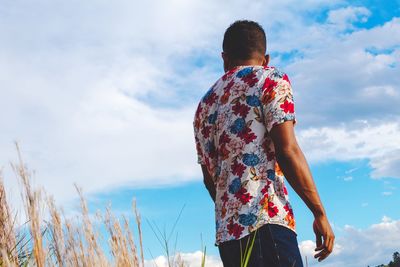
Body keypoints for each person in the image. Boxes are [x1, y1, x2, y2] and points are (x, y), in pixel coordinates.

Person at [193, 20, 334, 267]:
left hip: (228, 236)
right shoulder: (271, 80)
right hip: (268, 221)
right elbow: (287, 149)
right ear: (265, 59)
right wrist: (319, 213)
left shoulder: (204, 107)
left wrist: (233, 211)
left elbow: (209, 178)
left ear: (224, 58)